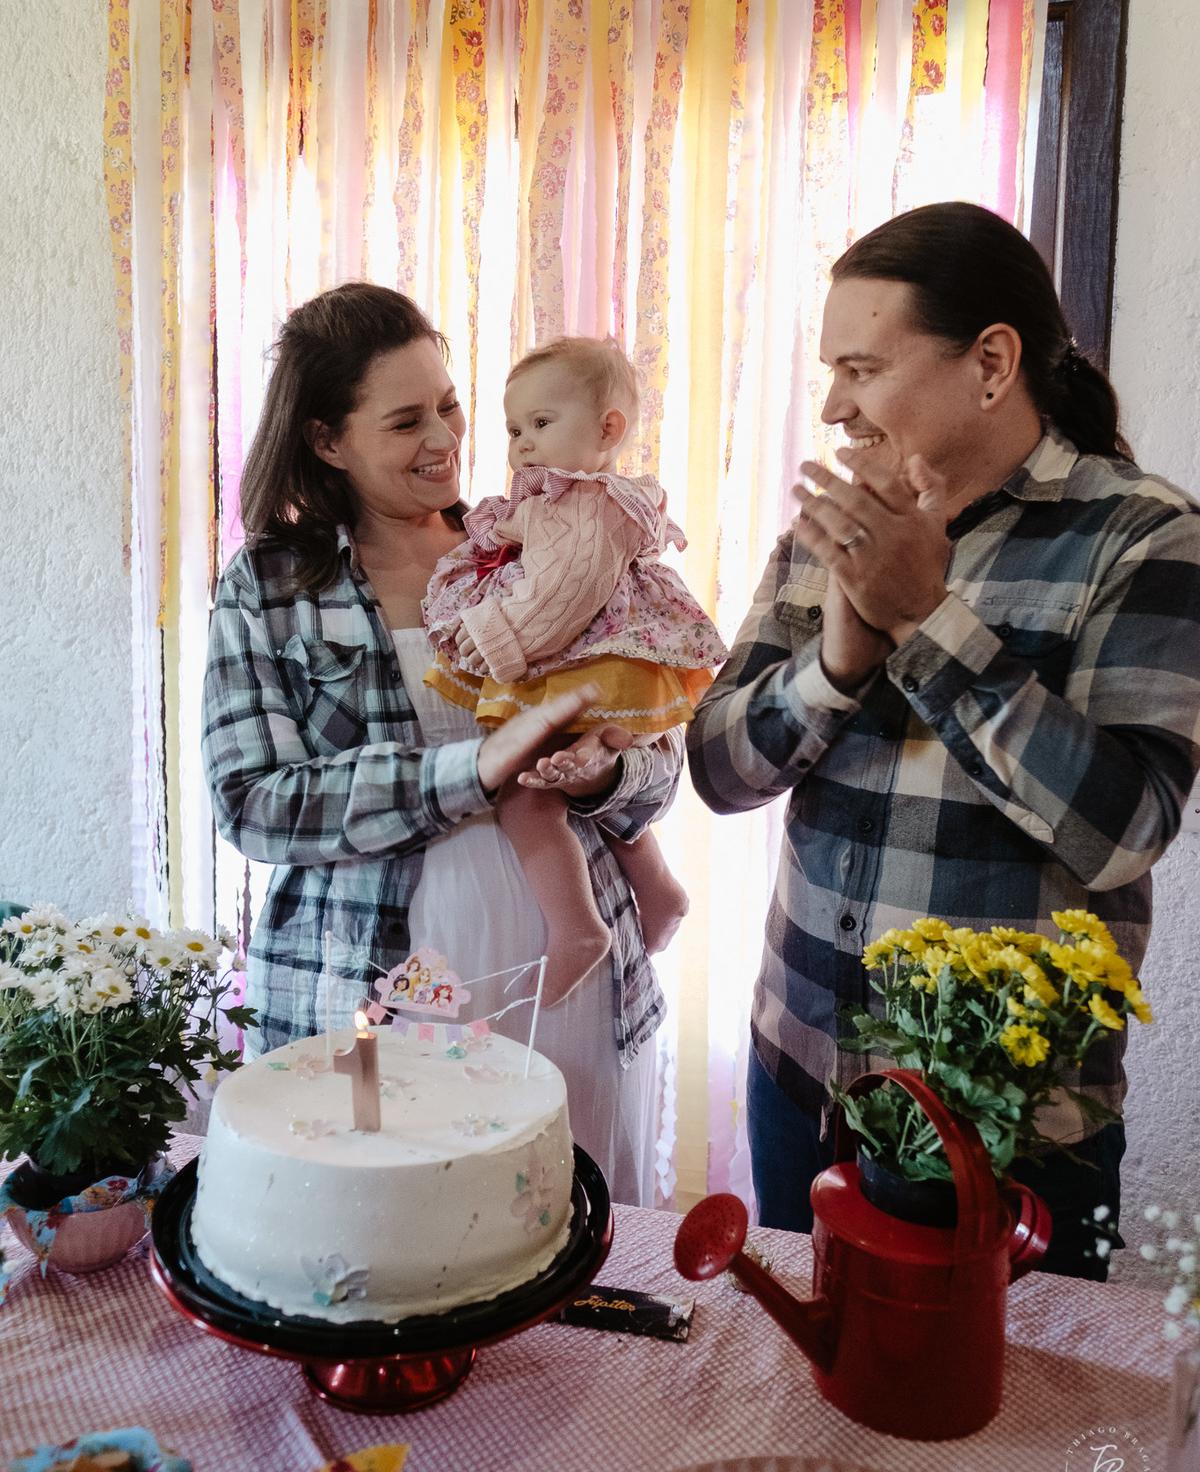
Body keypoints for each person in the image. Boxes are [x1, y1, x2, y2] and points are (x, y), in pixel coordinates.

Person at [687, 201, 1200, 1277]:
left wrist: (926, 621)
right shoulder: (829, 534)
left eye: (862, 369)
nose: (834, 406)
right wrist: (834, 666)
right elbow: (719, 772)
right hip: (804, 1079)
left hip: (1009, 1126)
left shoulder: (1142, 536)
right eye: (831, 372)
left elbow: (1123, 832)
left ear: (992, 363)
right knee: (803, 1370)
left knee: (1002, 1393)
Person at [202, 284, 684, 1205]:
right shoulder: (268, 584)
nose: (445, 439)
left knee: (570, 1216)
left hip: (569, 962)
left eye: (451, 406)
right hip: (370, 979)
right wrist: (472, 770)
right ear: (327, 440)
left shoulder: (532, 544)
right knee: (397, 1220)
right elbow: (253, 802)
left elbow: (657, 750)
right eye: (405, 421)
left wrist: (608, 773)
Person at [421, 336, 727, 1005]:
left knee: (525, 796)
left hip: (586, 664)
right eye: (514, 430)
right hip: (600, 667)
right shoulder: (573, 500)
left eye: (540, 422)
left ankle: (578, 927)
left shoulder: (589, 503)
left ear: (608, 431)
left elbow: (562, 594)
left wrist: (495, 636)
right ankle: (659, 890)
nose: (522, 444)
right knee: (569, 781)